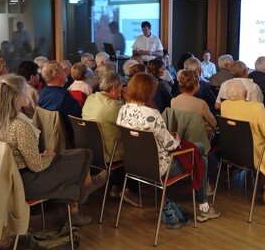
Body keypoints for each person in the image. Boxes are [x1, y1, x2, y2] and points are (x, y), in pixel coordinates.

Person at [0, 74, 93, 228]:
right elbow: (37, 166)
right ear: (16, 96)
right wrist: (48, 156)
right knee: (84, 156)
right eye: (24, 91)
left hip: (6, 178)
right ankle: (86, 190)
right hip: (25, 182)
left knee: (73, 163)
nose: (26, 94)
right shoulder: (19, 125)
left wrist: (41, 155)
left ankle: (79, 198)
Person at [117, 73, 220, 222]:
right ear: (149, 91)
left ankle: (203, 200)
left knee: (199, 149)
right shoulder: (152, 114)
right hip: (159, 168)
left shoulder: (123, 110)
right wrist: (176, 137)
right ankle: (203, 206)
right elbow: (171, 145)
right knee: (202, 159)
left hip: (134, 165)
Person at [220, 79, 265, 204]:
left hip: (231, 152)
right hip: (253, 154)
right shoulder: (256, 108)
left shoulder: (224, 105)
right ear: (245, 93)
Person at [82, 72, 139, 206]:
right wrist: (128, 100)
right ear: (113, 89)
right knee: (137, 144)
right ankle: (129, 190)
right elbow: (134, 123)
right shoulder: (114, 107)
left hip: (92, 149)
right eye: (120, 88)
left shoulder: (90, 98)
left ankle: (116, 186)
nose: (121, 91)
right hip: (110, 152)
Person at [37, 62, 82, 144]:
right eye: (62, 71)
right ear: (57, 76)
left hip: (46, 139)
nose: (65, 73)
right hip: (64, 140)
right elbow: (78, 119)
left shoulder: (43, 92)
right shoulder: (64, 96)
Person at [171, 70, 217, 134]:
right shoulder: (201, 103)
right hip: (199, 135)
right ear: (196, 86)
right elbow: (213, 123)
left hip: (181, 134)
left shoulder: (173, 101)